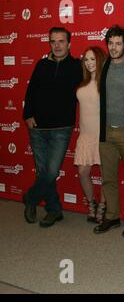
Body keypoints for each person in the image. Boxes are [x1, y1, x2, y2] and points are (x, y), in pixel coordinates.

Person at [22, 27, 82, 227]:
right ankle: (54, 210)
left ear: (69, 44)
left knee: (51, 171)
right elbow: (30, 92)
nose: (57, 45)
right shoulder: (41, 65)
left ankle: (30, 198)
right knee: (42, 172)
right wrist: (28, 115)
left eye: (61, 41)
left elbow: (97, 73)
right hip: (37, 128)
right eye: (53, 41)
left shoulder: (77, 66)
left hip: (61, 129)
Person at [93, 25, 124, 237]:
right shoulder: (102, 66)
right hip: (106, 132)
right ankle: (112, 216)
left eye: (118, 44)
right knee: (108, 179)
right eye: (110, 43)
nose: (114, 48)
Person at [74, 46, 107, 223]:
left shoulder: (106, 82)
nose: (89, 63)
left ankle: (102, 206)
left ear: (100, 60)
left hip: (102, 135)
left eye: (93, 59)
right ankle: (91, 203)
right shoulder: (82, 83)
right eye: (86, 59)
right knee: (83, 171)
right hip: (85, 135)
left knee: (106, 174)